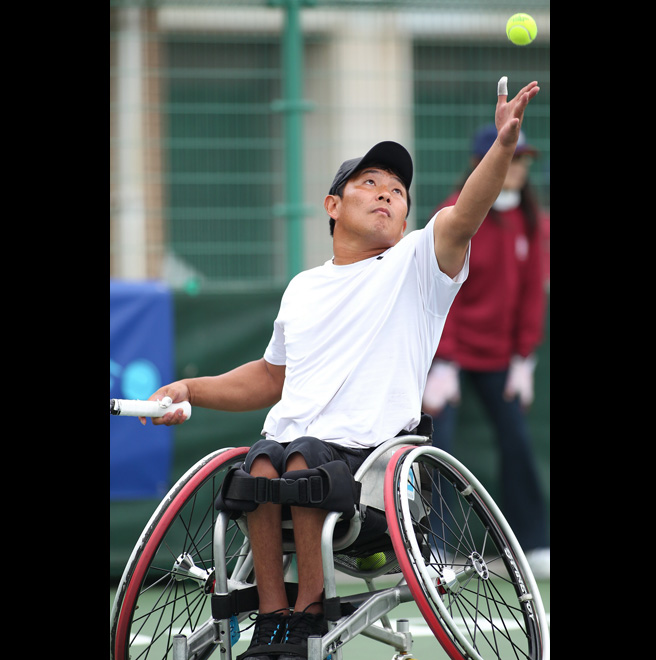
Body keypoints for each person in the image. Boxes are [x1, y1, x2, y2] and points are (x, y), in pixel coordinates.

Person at [142, 79, 540, 660]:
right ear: (333, 206)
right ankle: (272, 618)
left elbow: (465, 214)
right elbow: (270, 377)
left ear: (407, 217)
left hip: (373, 464)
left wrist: (502, 148)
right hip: (287, 451)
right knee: (261, 460)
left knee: (298, 458)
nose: (386, 194)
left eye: (398, 191)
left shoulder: (417, 266)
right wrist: (189, 388)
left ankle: (310, 610)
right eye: (369, 184)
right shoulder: (304, 288)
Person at [422, 122, 550, 579]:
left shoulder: (534, 221)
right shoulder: (455, 213)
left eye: (522, 159)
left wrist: (524, 358)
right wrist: (444, 360)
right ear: (482, 163)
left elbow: (532, 294)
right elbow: (441, 291)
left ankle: (534, 543)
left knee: (517, 442)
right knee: (435, 450)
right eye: (509, 157)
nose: (518, 168)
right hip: (449, 357)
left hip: (500, 359)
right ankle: (430, 551)